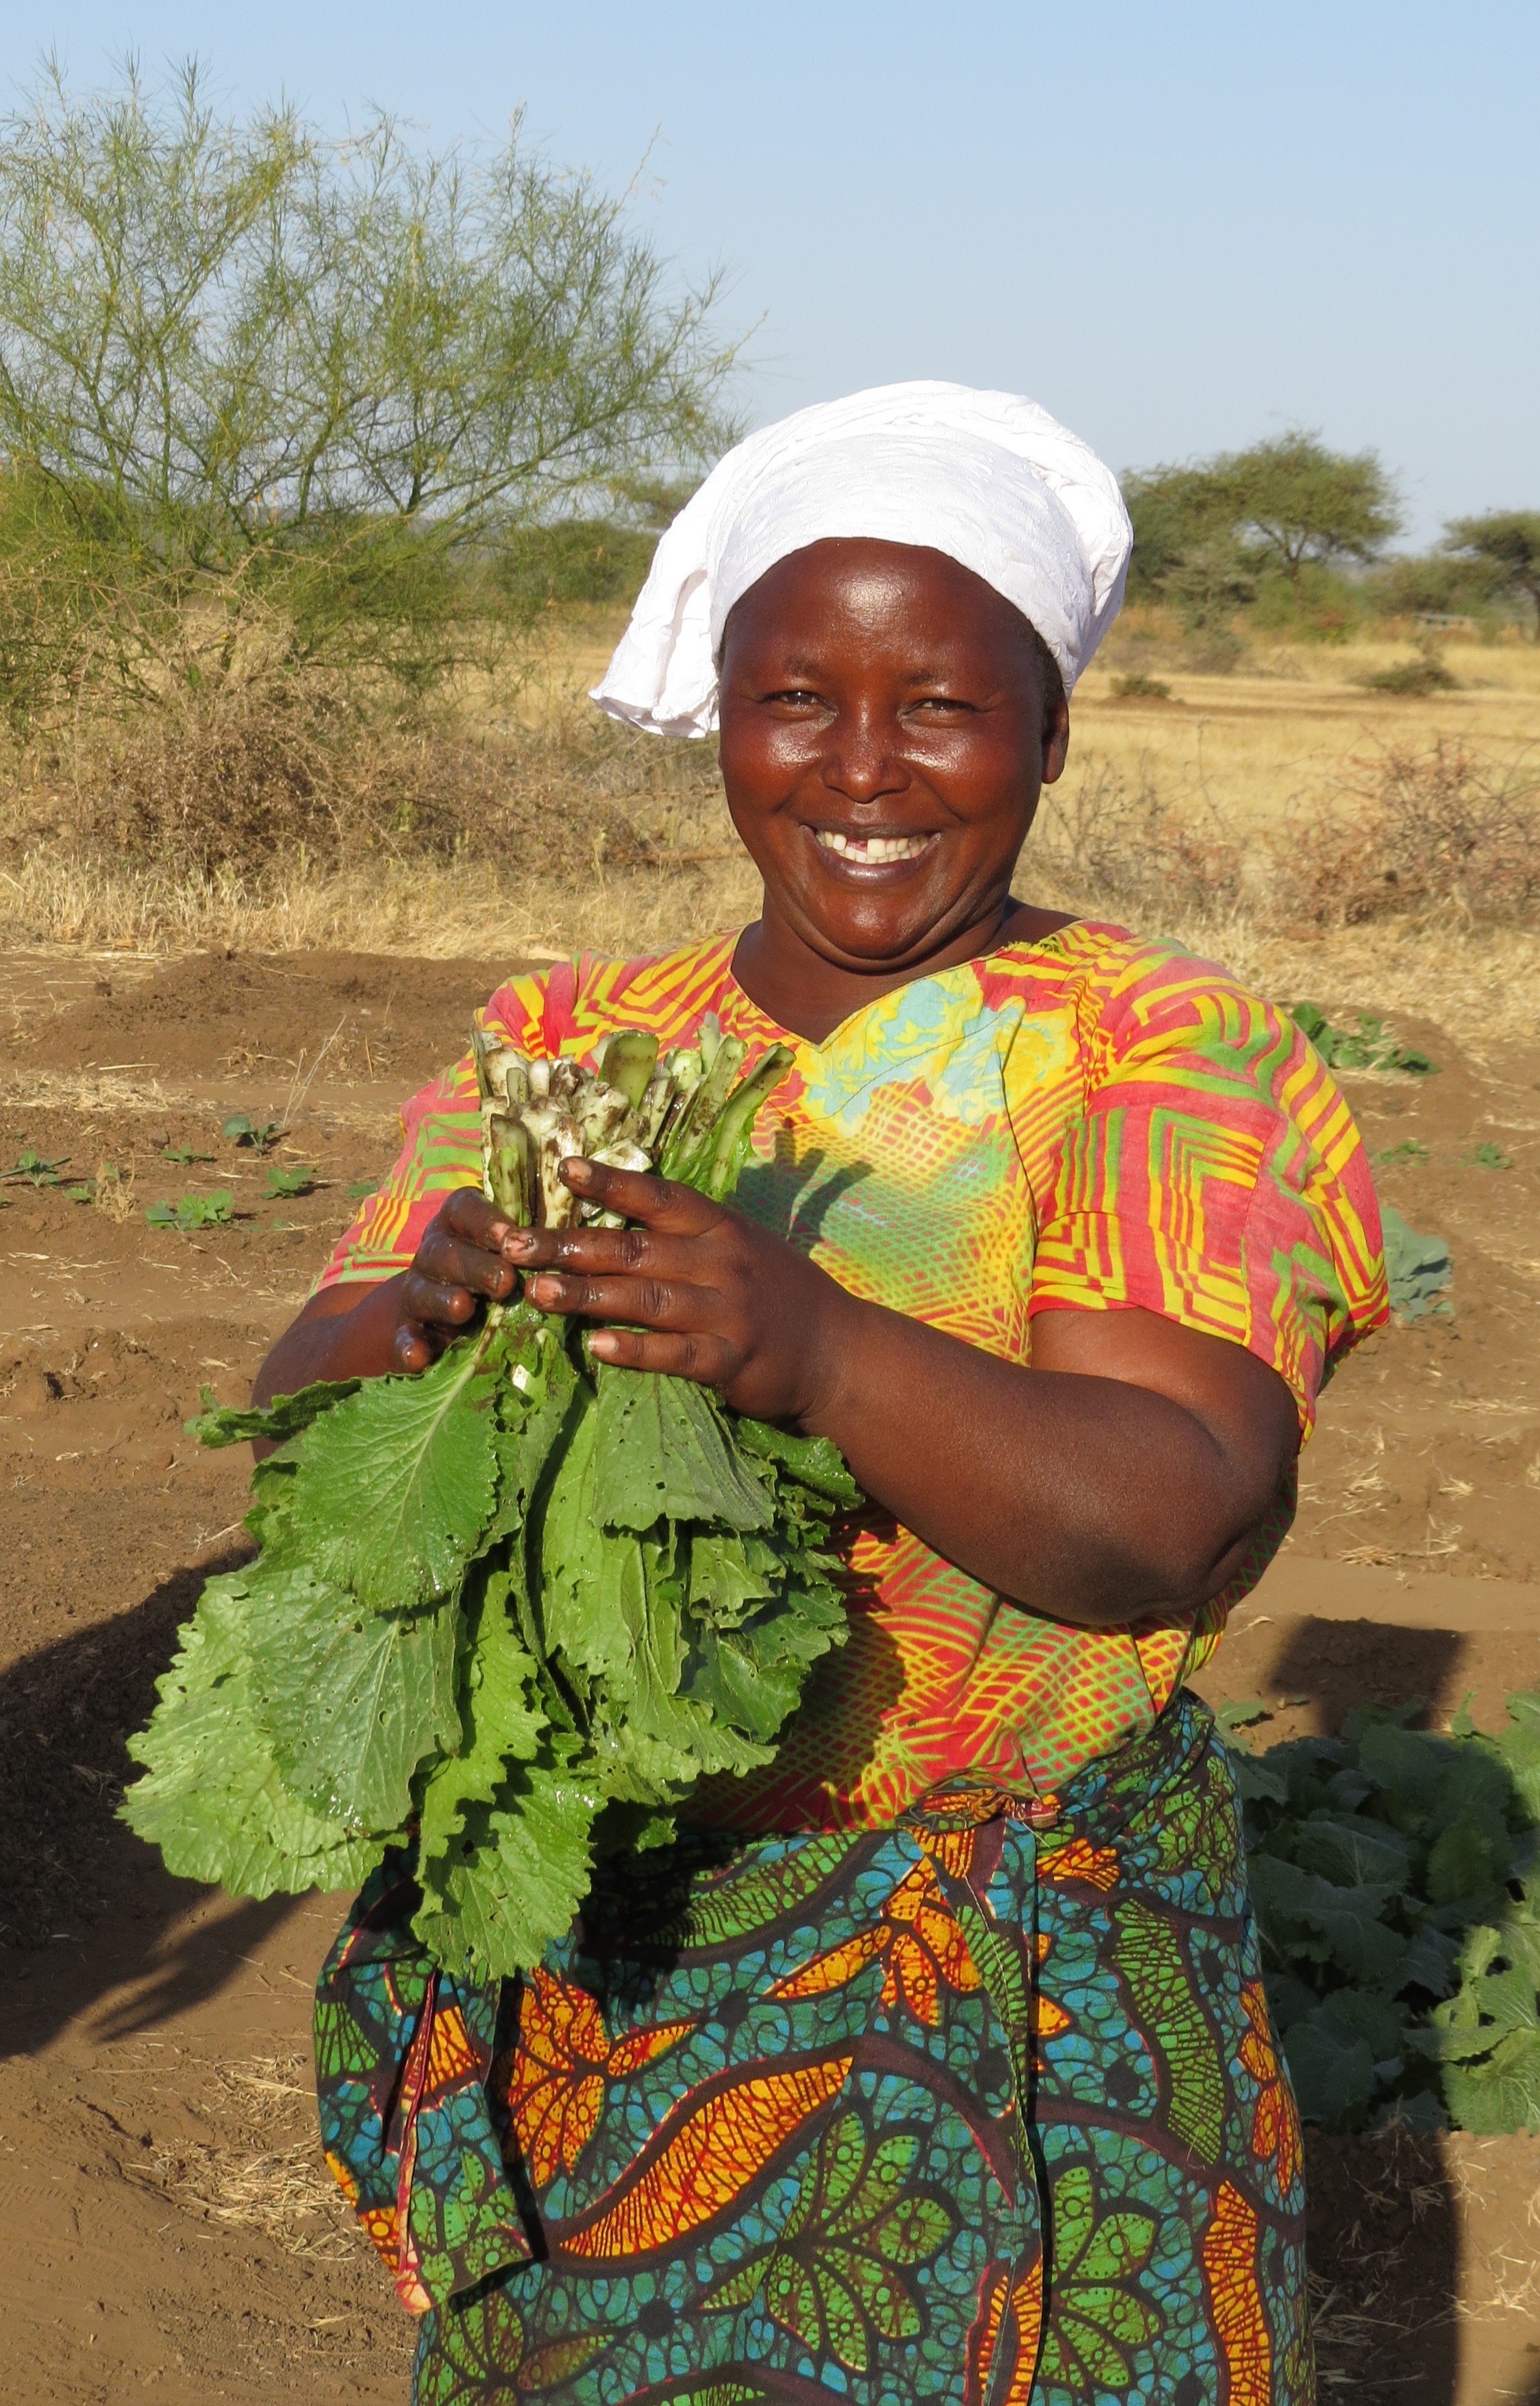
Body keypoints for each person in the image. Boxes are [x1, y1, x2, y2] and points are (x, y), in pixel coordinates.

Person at [269, 384, 1387, 2405]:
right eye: (797, 700)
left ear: (1048, 734)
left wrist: (824, 1349)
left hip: (1025, 1995)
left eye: (942, 709)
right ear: (724, 720)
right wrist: (423, 1322)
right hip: (605, 1973)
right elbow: (301, 1416)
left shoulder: (1156, 1049)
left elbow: (1177, 1515)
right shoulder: (571, 1038)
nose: (864, 770)